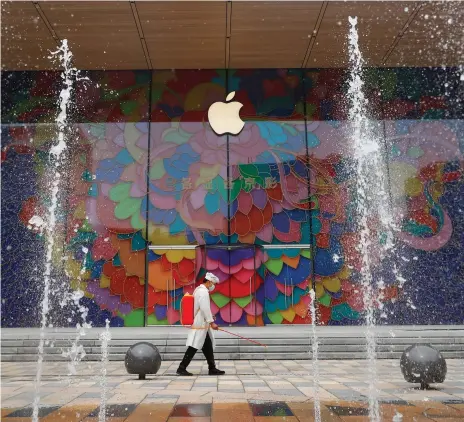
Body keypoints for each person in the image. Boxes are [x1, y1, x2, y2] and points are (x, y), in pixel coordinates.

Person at [176, 272, 225, 376]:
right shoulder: (203, 292)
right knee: (193, 346)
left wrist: (210, 318)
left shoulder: (199, 290)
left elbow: (203, 308)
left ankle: (212, 368)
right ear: (208, 282)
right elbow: (204, 308)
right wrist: (212, 322)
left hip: (202, 323)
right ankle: (181, 367)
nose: (213, 286)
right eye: (213, 283)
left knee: (207, 346)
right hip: (200, 324)